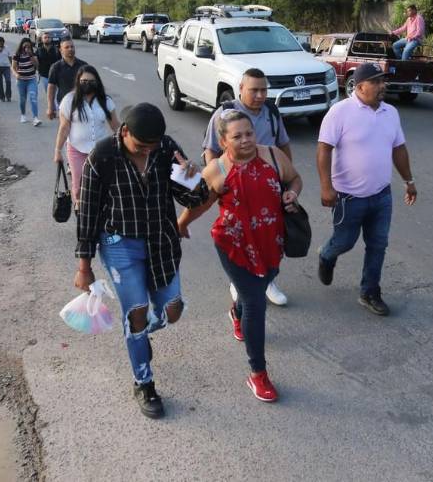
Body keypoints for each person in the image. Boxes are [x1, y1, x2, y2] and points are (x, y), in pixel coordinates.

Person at [75, 103, 208, 419]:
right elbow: (88, 213)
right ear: (124, 131)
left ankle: (140, 333)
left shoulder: (165, 149)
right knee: (136, 312)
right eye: (141, 145)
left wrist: (191, 178)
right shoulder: (102, 156)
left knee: (172, 311)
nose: (147, 151)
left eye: (152, 146)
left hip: (161, 242)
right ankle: (144, 382)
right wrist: (84, 266)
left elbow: (195, 199)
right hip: (120, 245)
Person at [179, 110, 302, 403]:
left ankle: (237, 312)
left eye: (249, 133)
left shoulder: (273, 156)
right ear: (223, 141)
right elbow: (200, 204)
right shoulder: (217, 170)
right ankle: (258, 373)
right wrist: (180, 225)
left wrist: (292, 194)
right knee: (256, 303)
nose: (246, 140)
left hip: (271, 241)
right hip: (233, 245)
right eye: (237, 136)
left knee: (261, 286)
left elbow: (295, 179)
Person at [316, 62, 417, 316]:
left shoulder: (390, 112)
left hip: (382, 196)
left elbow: (399, 148)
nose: (383, 86)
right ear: (360, 87)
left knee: (378, 244)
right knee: (344, 242)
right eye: (376, 82)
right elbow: (324, 149)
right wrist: (326, 187)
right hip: (348, 197)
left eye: (383, 81)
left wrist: (409, 181)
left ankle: (370, 292)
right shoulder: (340, 112)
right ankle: (327, 255)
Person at [202, 68, 292, 307]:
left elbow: (283, 145)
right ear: (241, 88)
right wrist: (218, 175)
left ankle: (268, 281)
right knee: (239, 236)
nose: (260, 95)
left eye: (264, 90)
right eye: (254, 90)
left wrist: (285, 181)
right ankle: (239, 279)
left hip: (266, 184)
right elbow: (210, 149)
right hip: (237, 187)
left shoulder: (271, 112)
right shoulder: (224, 114)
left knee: (269, 236)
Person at [53, 65, 119, 209]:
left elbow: (115, 125)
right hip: (77, 150)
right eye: (83, 81)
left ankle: (101, 210)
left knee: (103, 183)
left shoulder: (105, 101)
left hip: (101, 150)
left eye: (91, 81)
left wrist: (126, 146)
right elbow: (64, 127)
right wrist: (57, 151)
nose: (87, 84)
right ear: (78, 81)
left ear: (97, 82)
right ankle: (80, 210)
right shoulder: (69, 100)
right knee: (78, 185)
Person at [46, 38, 87, 119]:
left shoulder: (83, 66)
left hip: (82, 104)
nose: (70, 49)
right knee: (65, 126)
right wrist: (50, 107)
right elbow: (51, 88)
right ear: (61, 50)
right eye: (67, 47)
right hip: (63, 104)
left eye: (72, 47)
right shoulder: (56, 67)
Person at [12, 37, 41, 125]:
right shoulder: (17, 55)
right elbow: (13, 68)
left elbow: (37, 66)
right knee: (23, 99)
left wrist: (31, 55)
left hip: (31, 79)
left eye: (28, 46)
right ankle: (23, 115)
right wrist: (16, 74)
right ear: (21, 46)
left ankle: (35, 118)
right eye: (25, 46)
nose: (27, 48)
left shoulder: (33, 54)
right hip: (21, 80)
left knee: (33, 98)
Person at [35, 32, 60, 97]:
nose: (47, 39)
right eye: (45, 37)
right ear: (42, 39)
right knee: (48, 93)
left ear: (51, 39)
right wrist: (38, 70)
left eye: (49, 37)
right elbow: (35, 61)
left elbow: (60, 61)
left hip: (55, 75)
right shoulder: (39, 50)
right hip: (44, 75)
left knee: (55, 93)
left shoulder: (56, 49)